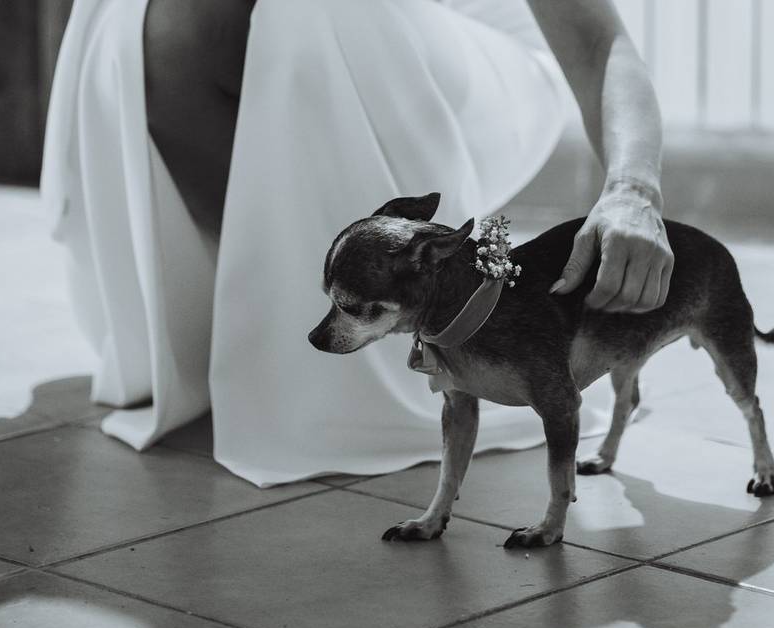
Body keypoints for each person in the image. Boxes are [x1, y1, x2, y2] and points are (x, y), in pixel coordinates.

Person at [42, 0, 673, 486]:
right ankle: (250, 309)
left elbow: (597, 42)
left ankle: (355, 349)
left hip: (483, 56)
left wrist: (633, 188)